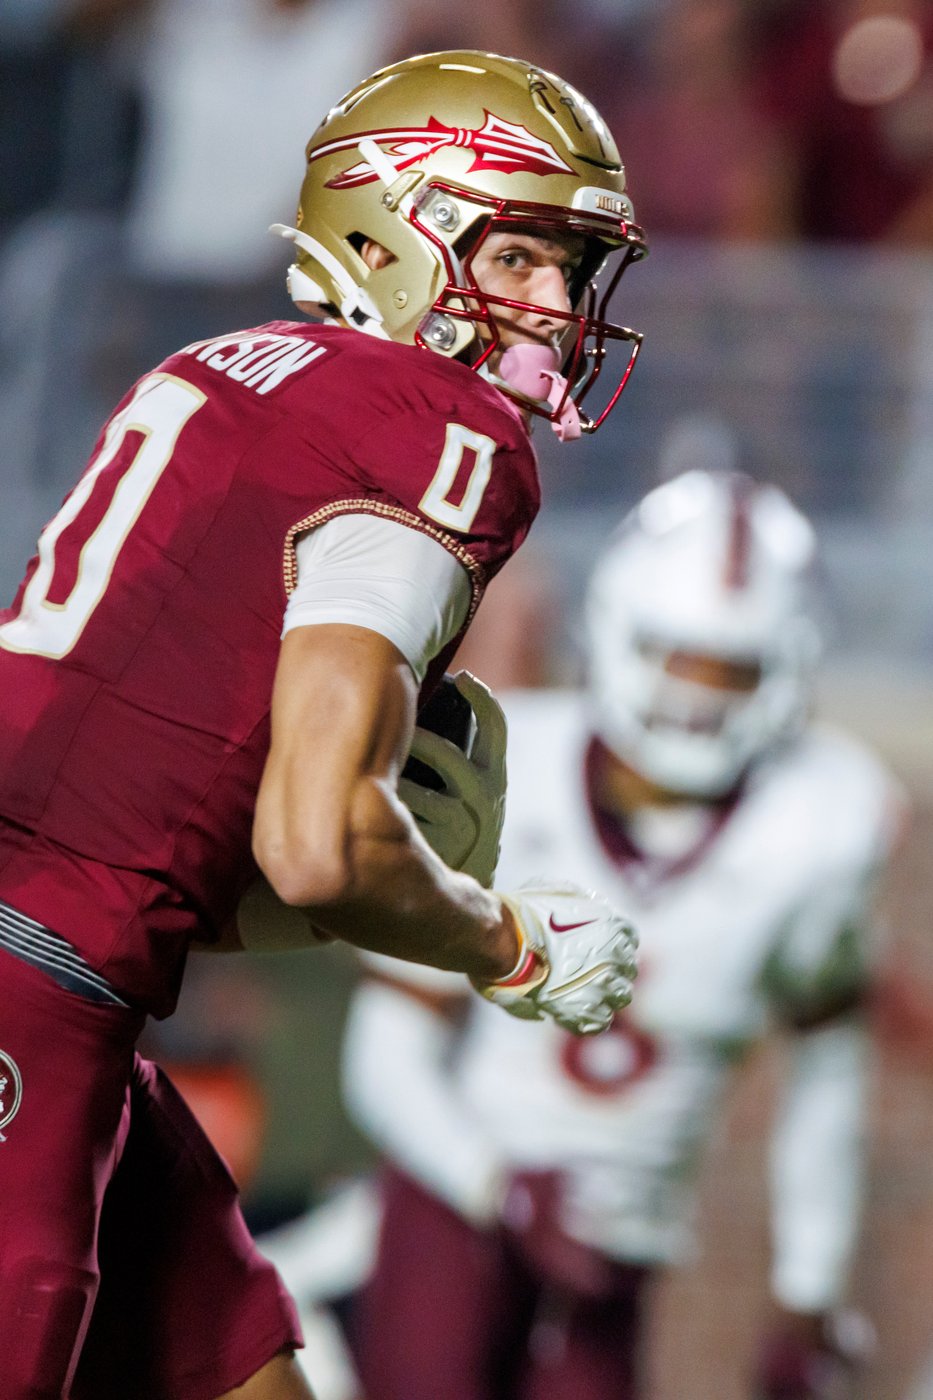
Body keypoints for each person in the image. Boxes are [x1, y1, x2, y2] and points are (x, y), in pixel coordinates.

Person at [0, 49, 644, 1400]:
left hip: (80, 968)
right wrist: (503, 939)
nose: (554, 308)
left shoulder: (232, 363)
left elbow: (148, 782)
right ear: (395, 228)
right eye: (519, 255)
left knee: (246, 1373)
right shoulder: (438, 429)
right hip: (33, 981)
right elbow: (317, 838)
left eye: (572, 272)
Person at [342, 469, 906, 1400]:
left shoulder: (821, 824)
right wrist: (500, 1187)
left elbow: (827, 1078)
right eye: (677, 658)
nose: (695, 699)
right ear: (615, 632)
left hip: (625, 1242)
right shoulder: (508, 762)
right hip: (456, 1203)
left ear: (788, 668)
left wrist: (808, 1293)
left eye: (728, 670)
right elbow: (384, 1060)